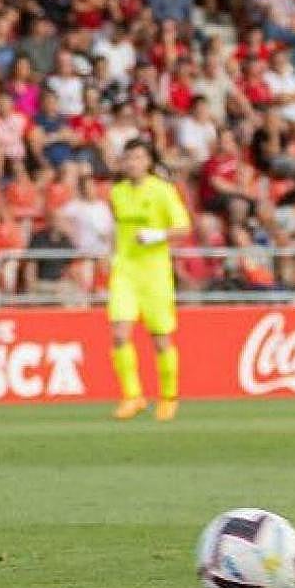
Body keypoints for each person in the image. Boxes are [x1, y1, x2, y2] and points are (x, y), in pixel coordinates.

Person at [108, 139, 191, 422]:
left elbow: (183, 227)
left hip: (154, 272)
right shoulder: (117, 192)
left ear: (148, 161)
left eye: (139, 157)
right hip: (125, 270)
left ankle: (169, 396)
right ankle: (132, 396)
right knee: (119, 333)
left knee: (160, 338)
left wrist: (157, 235)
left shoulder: (163, 191)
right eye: (128, 157)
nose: (133, 163)